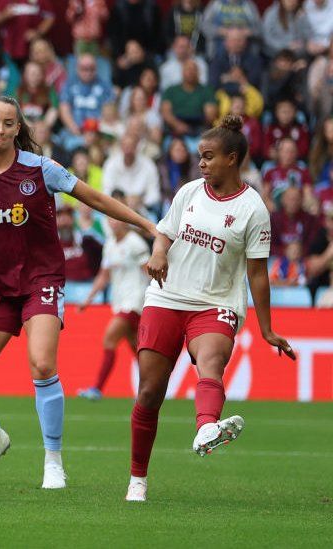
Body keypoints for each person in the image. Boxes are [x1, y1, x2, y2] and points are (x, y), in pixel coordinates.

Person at [0, 96, 158, 488]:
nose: (0, 130)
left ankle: (52, 460)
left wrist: (146, 225)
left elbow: (97, 198)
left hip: (42, 280)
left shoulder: (42, 169)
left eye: (7, 123)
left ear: (18, 128)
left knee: (41, 364)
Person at [127, 115, 297, 503]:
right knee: (150, 392)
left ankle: (206, 427)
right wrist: (157, 255)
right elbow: (163, 233)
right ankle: (138, 479)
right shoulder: (189, 192)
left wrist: (267, 328)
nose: (201, 164)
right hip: (167, 298)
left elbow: (257, 274)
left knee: (212, 362)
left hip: (216, 303)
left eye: (208, 157)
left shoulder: (254, 210)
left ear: (232, 158)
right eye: (199, 157)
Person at [77, 215, 151, 400]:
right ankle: (149, 389)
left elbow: (149, 271)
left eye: (116, 219)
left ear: (124, 221)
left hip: (135, 301)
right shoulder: (110, 244)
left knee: (109, 338)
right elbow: (104, 275)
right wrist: (88, 299)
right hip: (119, 302)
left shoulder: (135, 243)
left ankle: (97, 389)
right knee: (137, 348)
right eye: (109, 220)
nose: (113, 223)